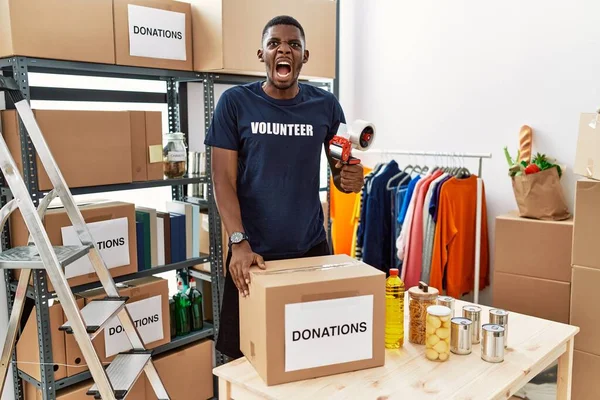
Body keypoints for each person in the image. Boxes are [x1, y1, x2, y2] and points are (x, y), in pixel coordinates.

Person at [204, 15, 366, 359]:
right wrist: (238, 243)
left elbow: (341, 171)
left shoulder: (326, 106)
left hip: (310, 251)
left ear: (304, 57)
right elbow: (222, 179)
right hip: (253, 256)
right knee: (246, 357)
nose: (284, 50)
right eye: (274, 43)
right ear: (261, 54)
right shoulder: (234, 104)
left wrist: (351, 178)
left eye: (294, 44)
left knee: (314, 350)